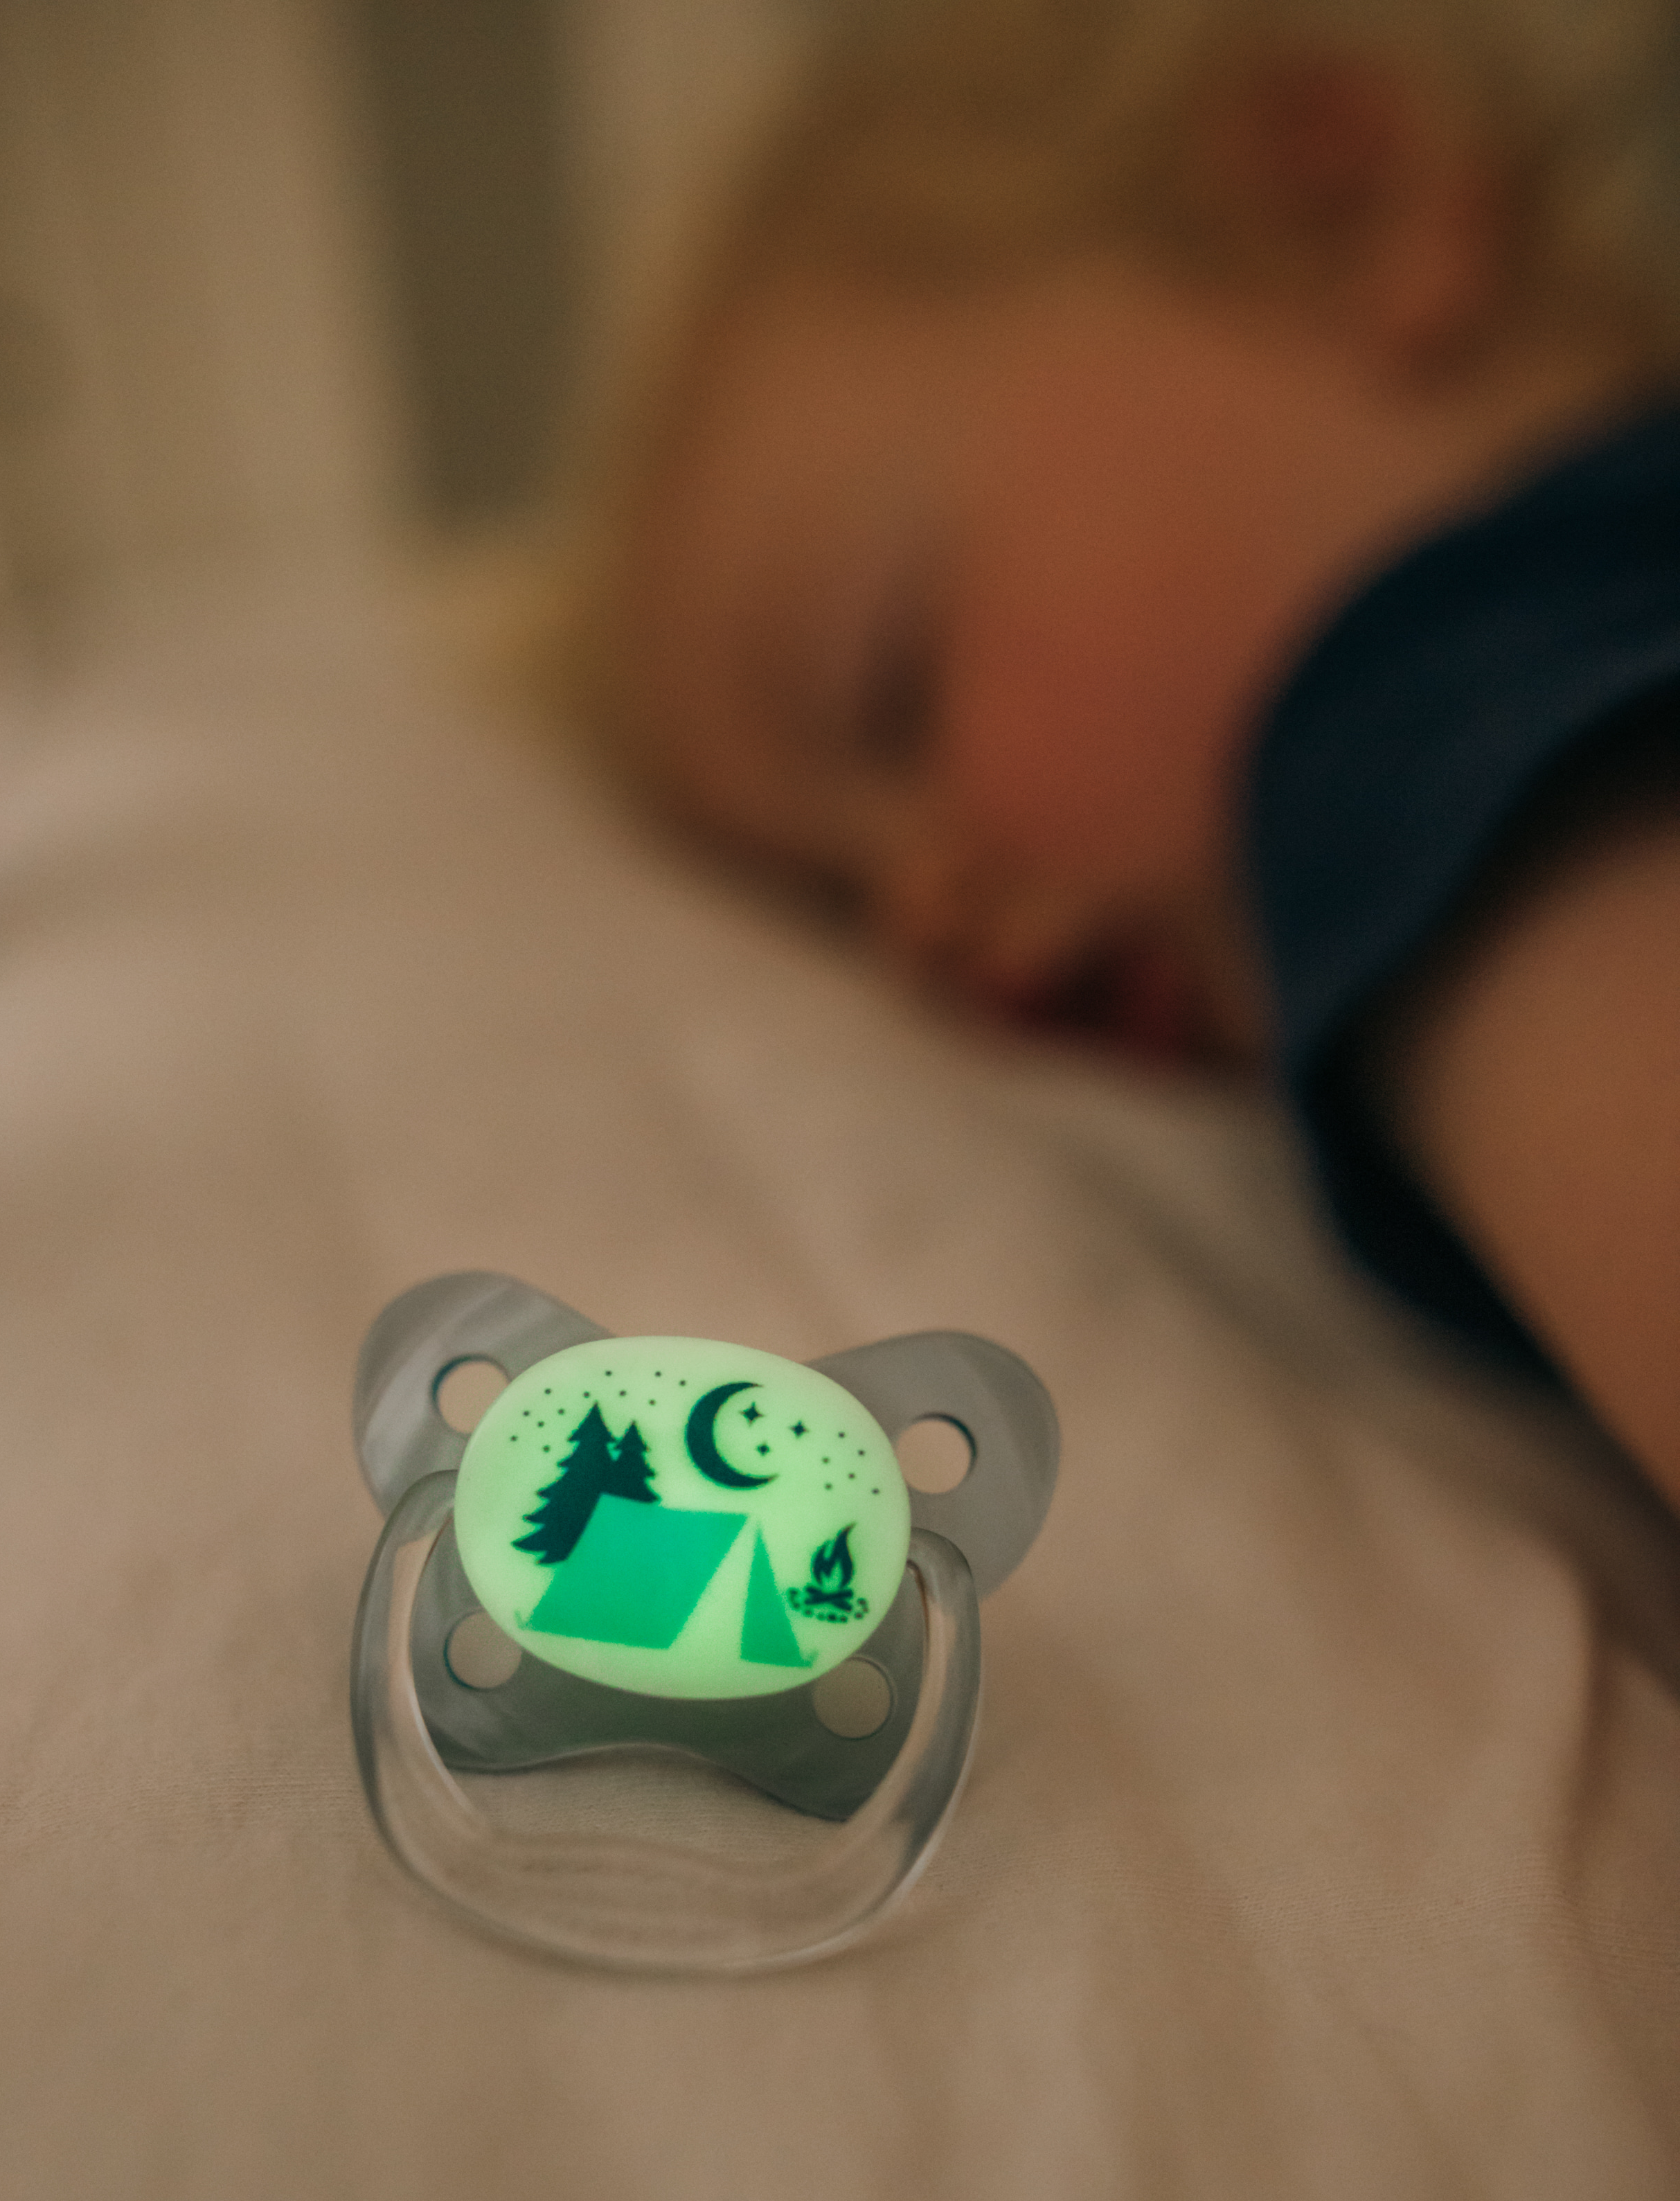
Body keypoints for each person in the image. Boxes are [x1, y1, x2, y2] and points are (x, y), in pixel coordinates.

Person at [588, 0, 1680, 1511]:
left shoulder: (1414, 704)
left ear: (1329, 196)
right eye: (838, 897)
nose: (919, 918)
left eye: (895, 690)